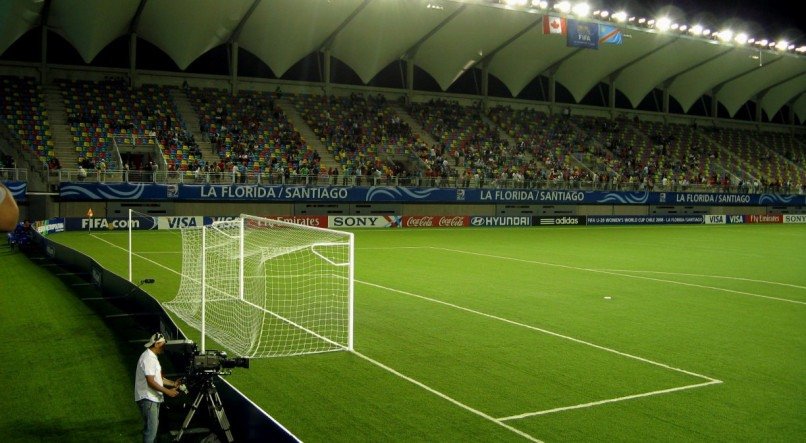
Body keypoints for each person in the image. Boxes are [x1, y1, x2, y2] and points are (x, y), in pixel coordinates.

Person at [135, 332, 181, 443]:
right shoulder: (149, 358)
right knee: (151, 432)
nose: (164, 347)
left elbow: (157, 379)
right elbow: (151, 381)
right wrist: (168, 391)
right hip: (149, 399)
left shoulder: (150, 356)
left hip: (150, 399)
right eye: (162, 345)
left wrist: (173, 384)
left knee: (152, 432)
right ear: (156, 344)